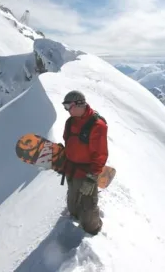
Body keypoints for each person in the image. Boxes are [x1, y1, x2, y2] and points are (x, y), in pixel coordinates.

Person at [61, 90, 108, 235]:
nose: (67, 110)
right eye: (65, 107)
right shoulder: (70, 122)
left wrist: (92, 177)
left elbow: (100, 154)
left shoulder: (97, 125)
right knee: (73, 208)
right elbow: (68, 141)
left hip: (87, 174)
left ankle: (94, 230)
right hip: (71, 171)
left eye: (69, 106)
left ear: (80, 104)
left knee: (88, 216)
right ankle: (76, 216)